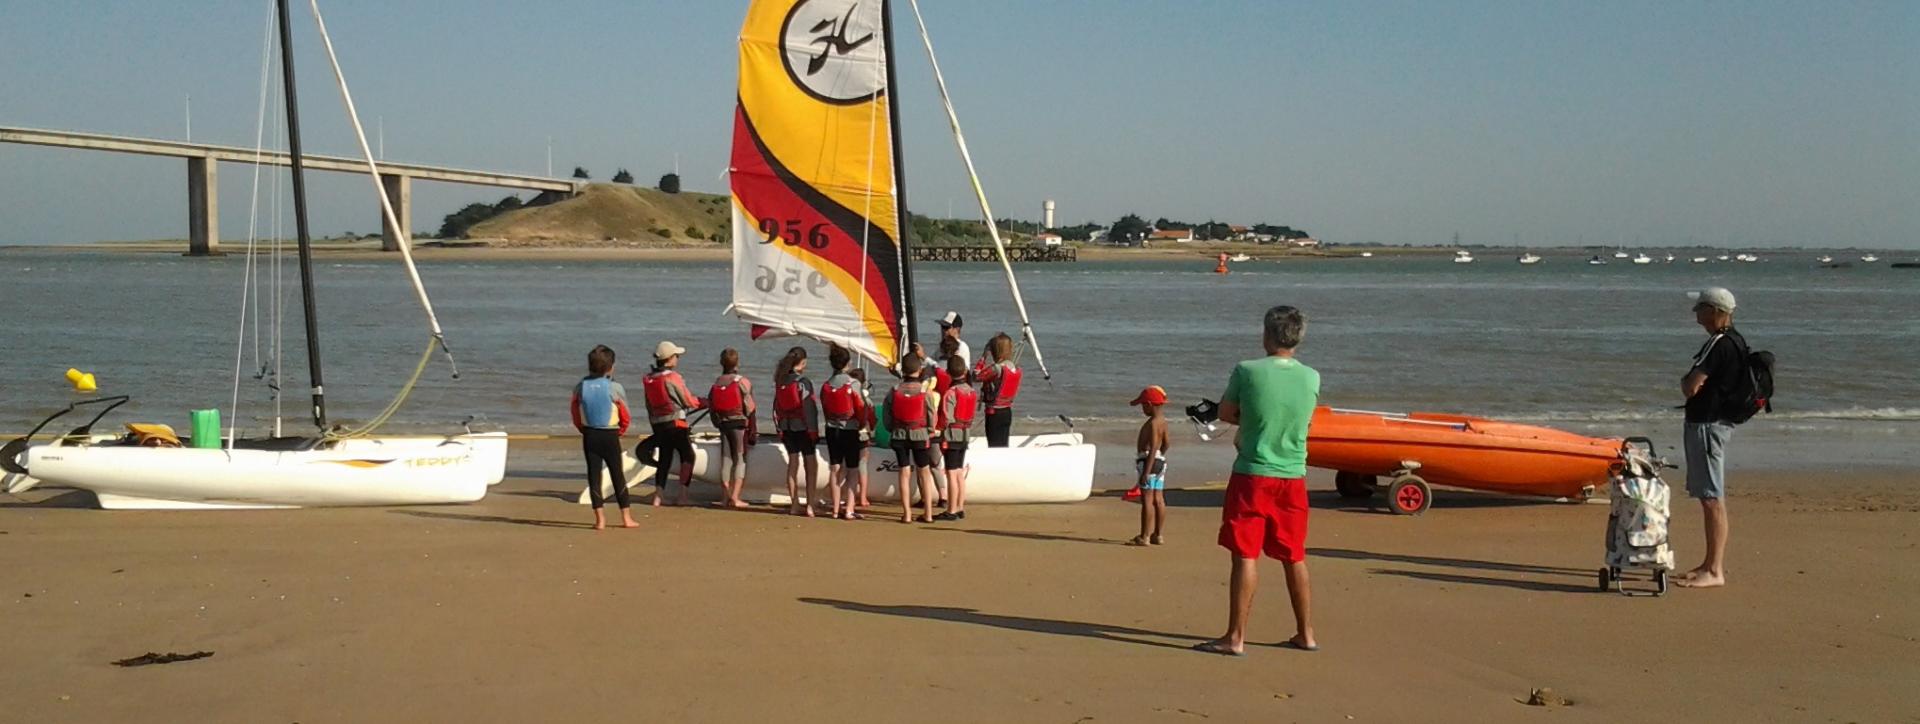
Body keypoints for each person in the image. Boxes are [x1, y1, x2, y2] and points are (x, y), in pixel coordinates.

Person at [1197, 305, 1319, 657]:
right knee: (1294, 555)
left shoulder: (1247, 369)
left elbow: (1225, 412)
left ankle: (1236, 637)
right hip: (1293, 474)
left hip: (1253, 472)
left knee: (1245, 554)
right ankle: (1305, 633)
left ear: (1267, 335)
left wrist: (1249, 423)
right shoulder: (1311, 376)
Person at [1677, 287, 1745, 589]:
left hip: (1707, 425)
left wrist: (1685, 382)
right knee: (1710, 497)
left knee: (1711, 498)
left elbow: (1691, 386)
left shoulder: (1718, 343)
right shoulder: (1736, 341)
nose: (1696, 312)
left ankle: (1715, 570)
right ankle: (1708, 564)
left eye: (1701, 307)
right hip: (1717, 423)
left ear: (1716, 311)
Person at [572, 345, 637, 530]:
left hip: (590, 434)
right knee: (617, 475)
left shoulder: (579, 387)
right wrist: (621, 430)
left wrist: (582, 429)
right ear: (611, 367)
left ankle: (600, 519)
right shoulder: (615, 387)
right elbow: (625, 414)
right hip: (610, 435)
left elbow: (575, 412)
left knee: (594, 476)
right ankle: (626, 517)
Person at [642, 341, 704, 507]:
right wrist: (705, 402)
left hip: (658, 425)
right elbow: (688, 401)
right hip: (676, 424)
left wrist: (655, 426)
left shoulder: (649, 379)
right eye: (676, 355)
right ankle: (682, 495)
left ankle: (658, 496)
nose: (678, 358)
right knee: (688, 456)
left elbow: (648, 405)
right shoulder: (673, 378)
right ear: (669, 359)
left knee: (665, 458)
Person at [886, 353, 941, 523]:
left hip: (899, 435)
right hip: (920, 435)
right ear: (920, 369)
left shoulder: (894, 390)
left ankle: (907, 514)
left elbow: (887, 417)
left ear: (903, 370)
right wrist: (931, 430)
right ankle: (929, 513)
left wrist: (892, 429)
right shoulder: (926, 392)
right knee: (924, 471)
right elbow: (932, 415)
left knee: (904, 472)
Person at [771, 346, 822, 516]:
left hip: (786, 427)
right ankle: (810, 505)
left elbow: (776, 406)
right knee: (810, 465)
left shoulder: (780, 381)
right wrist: (814, 430)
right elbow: (809, 407)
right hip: (803, 428)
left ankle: (794, 504)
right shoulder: (803, 382)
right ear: (802, 363)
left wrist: (779, 428)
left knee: (793, 464)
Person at [820, 345, 868, 520]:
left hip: (832, 429)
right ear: (847, 363)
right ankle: (849, 509)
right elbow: (860, 407)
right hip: (850, 429)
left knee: (835, 469)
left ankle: (834, 509)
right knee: (853, 470)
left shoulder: (826, 385)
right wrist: (862, 424)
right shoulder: (853, 383)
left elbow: (824, 407)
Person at [708, 348, 756, 509]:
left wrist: (717, 423)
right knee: (740, 459)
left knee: (726, 459)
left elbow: (712, 406)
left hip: (723, 425)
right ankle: (735, 497)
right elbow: (750, 408)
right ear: (737, 363)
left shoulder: (717, 382)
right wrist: (753, 429)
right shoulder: (742, 382)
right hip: (739, 425)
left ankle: (724, 497)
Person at [933, 355, 977, 521]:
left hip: (951, 435)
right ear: (965, 371)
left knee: (951, 473)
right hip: (965, 434)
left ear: (948, 372)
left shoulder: (951, 393)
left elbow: (946, 417)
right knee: (959, 472)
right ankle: (959, 506)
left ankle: (951, 509)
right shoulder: (971, 391)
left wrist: (937, 429)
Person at [1128, 385, 1170, 546]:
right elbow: (1166, 444)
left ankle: (1144, 536)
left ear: (1149, 405)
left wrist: (1146, 470)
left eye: (1143, 406)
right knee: (1159, 499)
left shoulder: (1152, 423)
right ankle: (1157, 534)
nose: (1142, 409)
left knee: (1147, 499)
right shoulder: (1163, 422)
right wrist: (1161, 456)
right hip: (1159, 462)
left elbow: (1152, 446)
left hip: (1148, 462)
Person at [975, 333, 1024, 448]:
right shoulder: (1014, 368)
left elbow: (976, 376)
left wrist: (983, 356)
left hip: (994, 413)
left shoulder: (996, 369)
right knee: (1003, 444)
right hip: (1007, 411)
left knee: (994, 445)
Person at [848, 367, 875, 508]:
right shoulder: (867, 400)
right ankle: (862, 497)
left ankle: (847, 496)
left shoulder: (847, 396)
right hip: (863, 434)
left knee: (848, 465)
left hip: (849, 432)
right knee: (862, 465)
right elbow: (872, 419)